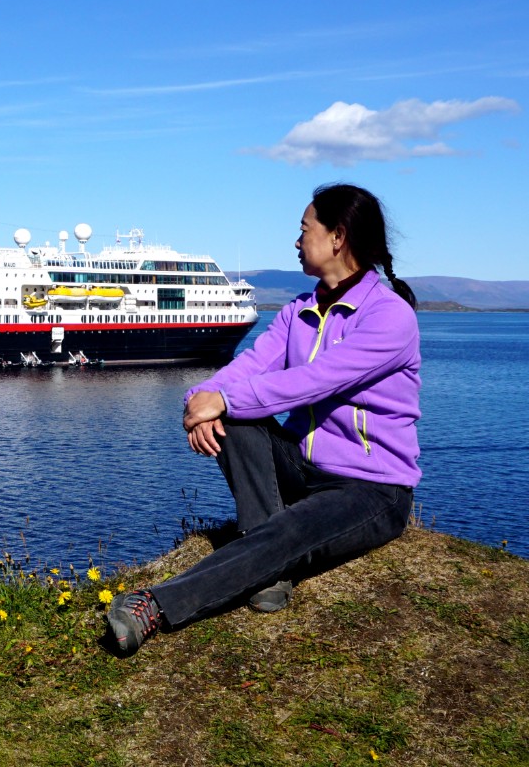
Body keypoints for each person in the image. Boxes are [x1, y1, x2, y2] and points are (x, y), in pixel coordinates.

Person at [106, 183, 422, 655]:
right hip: (300, 467)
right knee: (234, 420)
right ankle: (269, 562)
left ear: (337, 237)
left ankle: (156, 605)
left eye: (303, 230)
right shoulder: (298, 311)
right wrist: (202, 398)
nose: (296, 242)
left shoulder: (390, 317)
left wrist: (225, 401)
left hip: (369, 488)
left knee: (290, 529)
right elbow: (248, 368)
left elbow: (315, 381)